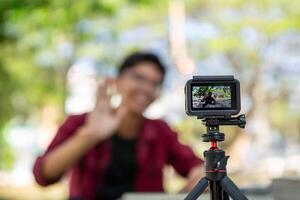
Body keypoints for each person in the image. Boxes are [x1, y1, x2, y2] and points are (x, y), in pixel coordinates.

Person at [33, 52, 204, 200]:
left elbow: (197, 167)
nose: (146, 88)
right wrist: (89, 135)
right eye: (139, 78)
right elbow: (43, 175)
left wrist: (194, 184)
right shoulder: (81, 122)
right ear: (117, 80)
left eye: (155, 83)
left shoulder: (161, 131)